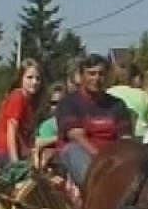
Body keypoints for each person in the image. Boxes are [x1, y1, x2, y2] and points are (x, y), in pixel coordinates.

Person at [55, 53, 133, 191]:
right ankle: (96, 190)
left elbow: (125, 138)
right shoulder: (69, 103)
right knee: (73, 150)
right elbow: (77, 137)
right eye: (91, 74)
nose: (96, 78)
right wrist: (100, 158)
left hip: (112, 157)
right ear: (81, 76)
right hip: (82, 153)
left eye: (101, 74)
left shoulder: (117, 105)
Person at [0, 59, 43, 168]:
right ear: (21, 79)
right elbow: (11, 130)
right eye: (30, 77)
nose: (34, 82)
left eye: (38, 78)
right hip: (5, 150)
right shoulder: (17, 97)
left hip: (19, 151)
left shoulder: (30, 102)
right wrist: (15, 161)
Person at [106, 62, 148, 138]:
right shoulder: (143, 95)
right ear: (136, 78)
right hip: (140, 136)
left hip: (114, 135)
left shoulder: (108, 93)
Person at [33, 82, 66, 168]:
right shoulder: (47, 126)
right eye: (54, 103)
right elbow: (41, 144)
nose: (58, 106)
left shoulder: (74, 122)